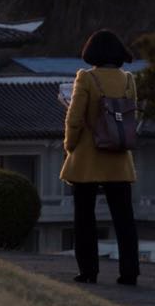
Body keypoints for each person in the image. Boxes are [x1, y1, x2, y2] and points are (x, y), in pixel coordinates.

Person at [60, 29, 140, 286]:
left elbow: (74, 119)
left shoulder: (86, 78)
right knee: (124, 220)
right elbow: (130, 119)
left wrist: (70, 147)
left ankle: (88, 271)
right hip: (119, 158)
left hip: (88, 158)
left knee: (85, 218)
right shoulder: (129, 80)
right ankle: (129, 272)